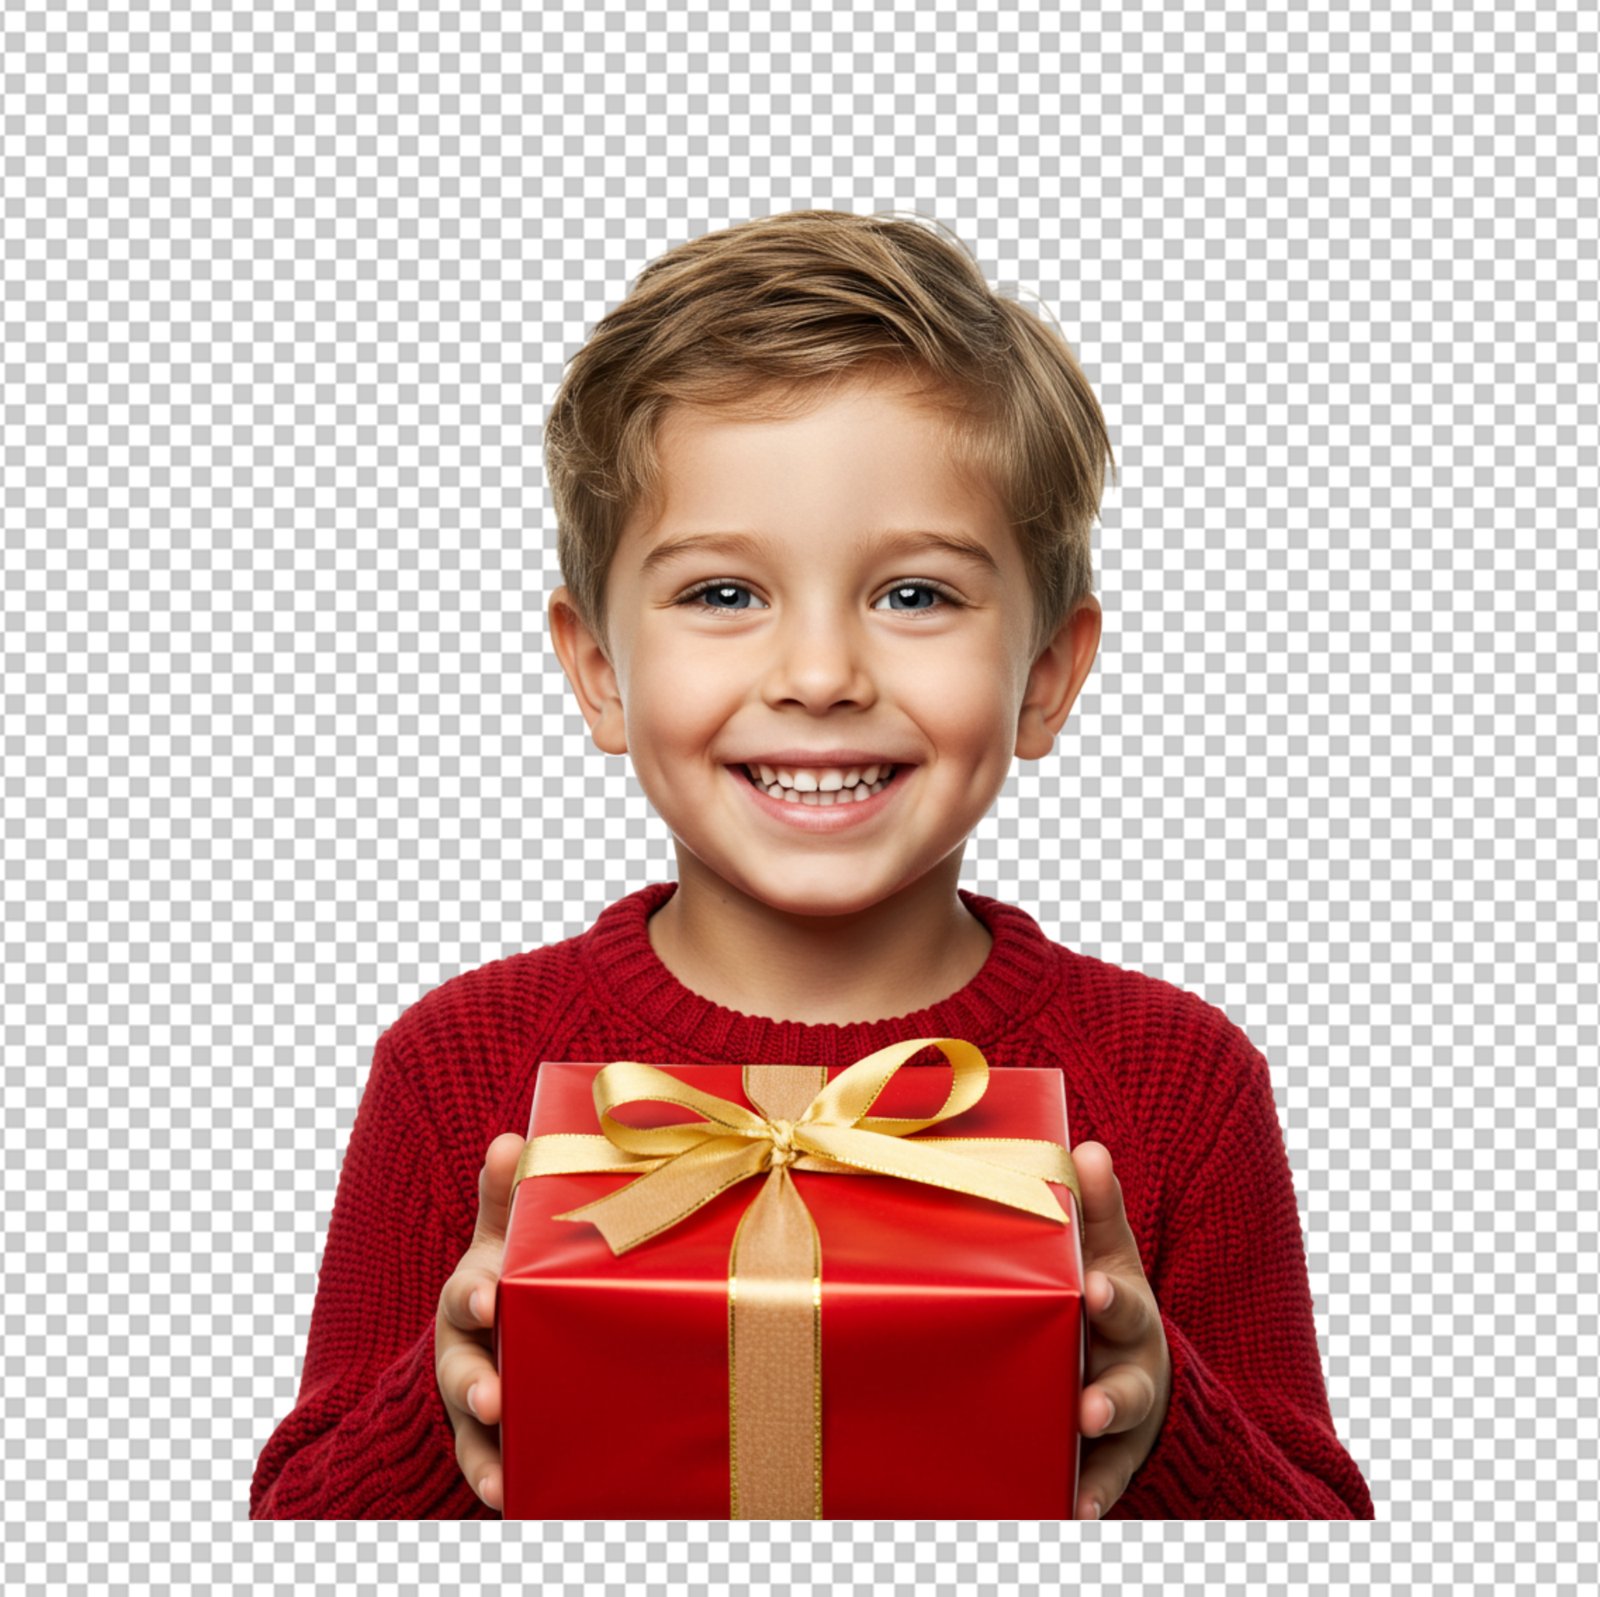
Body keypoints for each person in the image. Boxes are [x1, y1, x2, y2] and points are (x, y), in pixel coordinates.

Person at [249, 208, 1375, 1521]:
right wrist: (446, 1413)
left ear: (1049, 676)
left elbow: (1323, 1540)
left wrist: (1164, 1415)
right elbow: (295, 1533)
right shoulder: (457, 1070)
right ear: (599, 673)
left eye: (916, 596)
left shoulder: (1181, 1084)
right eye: (724, 594)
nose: (823, 678)